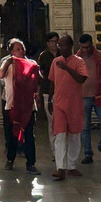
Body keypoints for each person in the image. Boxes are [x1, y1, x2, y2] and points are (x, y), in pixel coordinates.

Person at [0, 38, 41, 174]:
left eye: (21, 48)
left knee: (29, 135)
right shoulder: (8, 63)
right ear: (11, 52)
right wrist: (8, 63)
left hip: (28, 106)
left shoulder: (31, 63)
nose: (20, 51)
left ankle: (31, 163)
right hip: (11, 105)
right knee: (11, 135)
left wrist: (38, 93)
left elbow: (39, 80)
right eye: (17, 49)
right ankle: (10, 159)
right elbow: (0, 75)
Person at [47, 34, 88, 180]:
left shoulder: (79, 62)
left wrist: (66, 68)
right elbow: (52, 81)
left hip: (74, 104)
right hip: (59, 104)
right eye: (60, 45)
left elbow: (81, 79)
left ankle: (71, 165)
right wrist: (49, 100)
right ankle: (60, 168)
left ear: (71, 46)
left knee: (75, 135)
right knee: (60, 135)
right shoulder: (55, 62)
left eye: (64, 45)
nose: (61, 48)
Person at [77, 33, 101, 163]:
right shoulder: (76, 58)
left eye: (88, 47)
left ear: (92, 45)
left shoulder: (99, 56)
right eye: (83, 47)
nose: (86, 50)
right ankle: (88, 153)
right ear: (80, 46)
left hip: (100, 94)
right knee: (84, 126)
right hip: (83, 96)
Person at [35, 31, 59, 160]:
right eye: (51, 41)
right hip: (46, 92)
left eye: (56, 41)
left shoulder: (63, 54)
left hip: (61, 91)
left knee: (61, 122)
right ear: (47, 43)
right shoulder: (44, 56)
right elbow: (40, 73)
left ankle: (61, 150)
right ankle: (55, 151)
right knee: (52, 122)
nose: (54, 44)